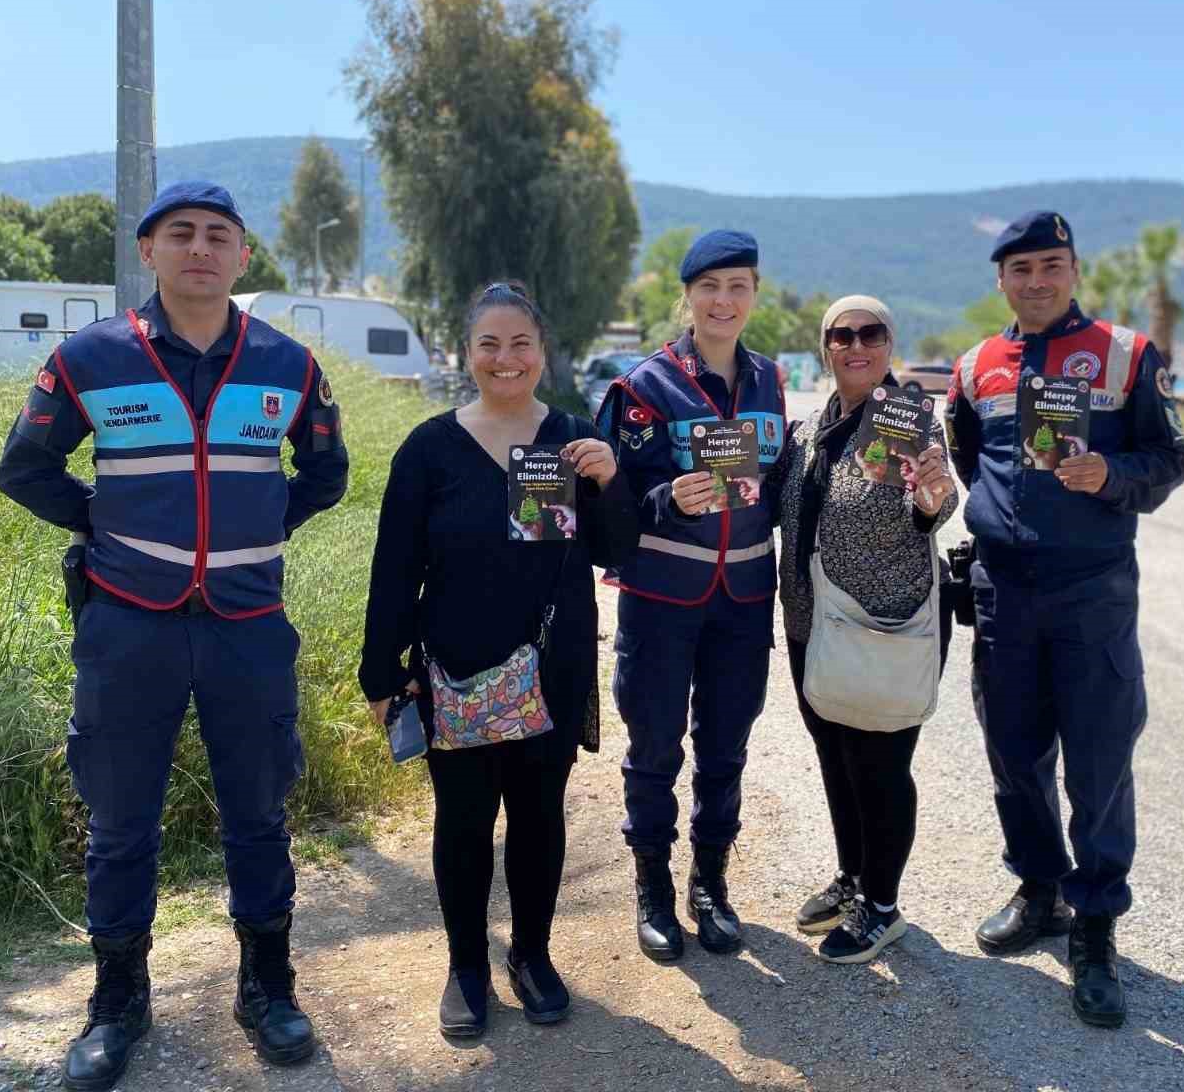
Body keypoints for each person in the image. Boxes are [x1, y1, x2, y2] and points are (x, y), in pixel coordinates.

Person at [0, 181, 348, 1091]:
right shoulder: (90, 359)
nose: (200, 248)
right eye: (180, 233)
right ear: (147, 251)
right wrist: (105, 525)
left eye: (218, 236)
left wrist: (257, 523)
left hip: (248, 627)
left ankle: (267, 987)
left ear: (242, 256)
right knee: (120, 824)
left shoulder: (289, 364)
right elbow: (25, 468)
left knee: (260, 818)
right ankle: (117, 1003)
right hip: (128, 626)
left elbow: (326, 471)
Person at [359, 282, 638, 1039]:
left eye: (521, 344)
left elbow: (617, 552)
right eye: (490, 344)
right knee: (463, 822)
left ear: (542, 354)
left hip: (552, 669)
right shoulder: (429, 449)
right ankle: (467, 966)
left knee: (540, 818)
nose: (505, 359)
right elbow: (393, 569)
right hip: (454, 670)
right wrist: (382, 673)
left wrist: (610, 483)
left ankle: (534, 957)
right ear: (469, 353)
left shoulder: (576, 440)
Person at [945, 210, 1184, 1028]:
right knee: (1014, 753)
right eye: (1021, 269)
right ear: (1001, 281)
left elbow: (1169, 460)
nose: (1037, 280)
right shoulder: (977, 364)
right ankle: (1040, 891)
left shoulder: (1126, 355)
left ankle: (1095, 927)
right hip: (1003, 592)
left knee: (1096, 761)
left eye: (1052, 265)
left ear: (1075, 270)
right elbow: (974, 457)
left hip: (1092, 593)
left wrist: (1108, 475)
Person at [595, 229, 787, 961]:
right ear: (688, 295)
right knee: (653, 747)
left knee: (725, 747)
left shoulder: (769, 382)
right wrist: (668, 497)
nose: (724, 300)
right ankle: (652, 889)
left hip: (742, 599)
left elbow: (779, 489)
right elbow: (611, 506)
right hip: (662, 600)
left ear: (754, 296)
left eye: (739, 286)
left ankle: (710, 883)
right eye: (710, 286)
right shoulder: (644, 388)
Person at [775, 296, 958, 963]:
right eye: (841, 335)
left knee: (880, 769)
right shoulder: (812, 427)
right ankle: (852, 877)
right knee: (834, 759)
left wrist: (931, 497)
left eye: (871, 333)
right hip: (811, 623)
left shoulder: (908, 421)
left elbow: (935, 500)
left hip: (884, 625)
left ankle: (882, 906)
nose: (856, 346)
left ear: (889, 342)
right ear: (825, 347)